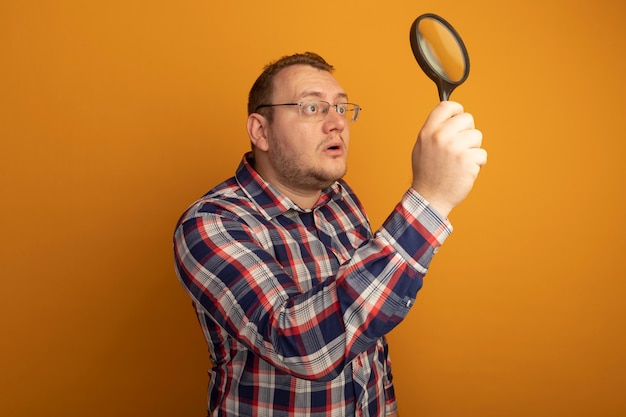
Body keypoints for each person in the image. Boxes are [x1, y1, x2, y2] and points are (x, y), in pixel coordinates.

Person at [173, 52, 487, 417]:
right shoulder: (210, 223)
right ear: (260, 130)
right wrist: (429, 200)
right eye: (312, 108)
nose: (336, 122)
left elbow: (365, 323)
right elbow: (300, 347)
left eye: (341, 108)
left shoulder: (342, 199)